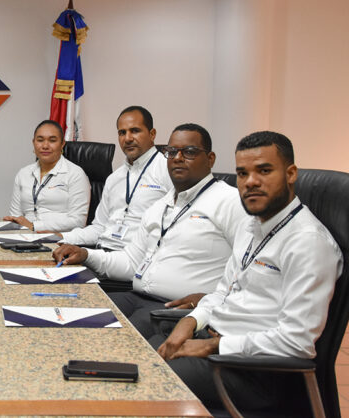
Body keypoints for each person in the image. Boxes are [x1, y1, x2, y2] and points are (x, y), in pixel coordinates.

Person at [154, 131, 342, 412]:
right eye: (242, 173)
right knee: (133, 356)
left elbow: (297, 342)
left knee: (148, 380)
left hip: (256, 372)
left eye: (264, 171)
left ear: (290, 174)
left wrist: (213, 347)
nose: (250, 182)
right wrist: (192, 320)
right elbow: (223, 292)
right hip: (218, 346)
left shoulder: (308, 242)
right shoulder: (252, 226)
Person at [53, 123, 246, 337]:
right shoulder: (160, 205)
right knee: (66, 314)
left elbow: (251, 269)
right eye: (171, 152)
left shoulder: (231, 202)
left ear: (210, 159)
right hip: (136, 297)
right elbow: (130, 262)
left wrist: (214, 300)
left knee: (99, 337)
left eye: (189, 152)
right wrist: (86, 254)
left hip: (175, 308)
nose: (178, 158)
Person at [60, 106, 172, 250]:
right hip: (102, 252)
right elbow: (99, 228)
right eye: (122, 133)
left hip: (138, 256)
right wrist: (57, 237)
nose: (128, 138)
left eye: (135, 131)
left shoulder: (169, 171)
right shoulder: (114, 178)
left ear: (152, 134)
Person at [3, 119, 90, 232]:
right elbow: (15, 215)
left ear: (62, 144)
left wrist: (34, 226)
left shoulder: (75, 174)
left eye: (52, 140)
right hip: (24, 235)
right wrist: (13, 222)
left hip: (59, 238)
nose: (45, 146)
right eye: (40, 140)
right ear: (33, 142)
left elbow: (78, 221)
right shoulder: (23, 173)